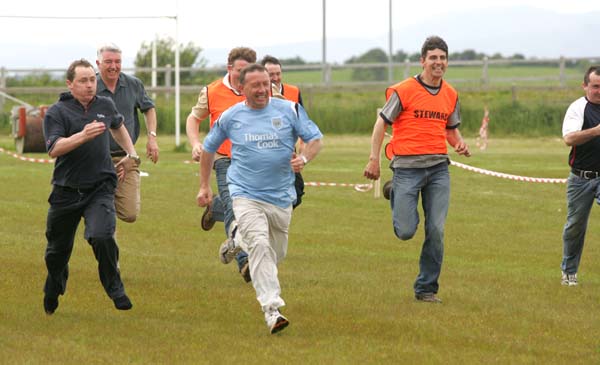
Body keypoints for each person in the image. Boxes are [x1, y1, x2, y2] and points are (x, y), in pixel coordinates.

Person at [196, 64, 323, 334]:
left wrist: (303, 158)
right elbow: (208, 149)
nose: (263, 89)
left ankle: (236, 240)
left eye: (266, 84)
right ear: (242, 89)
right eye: (256, 85)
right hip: (245, 194)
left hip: (281, 196)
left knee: (275, 253)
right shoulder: (231, 117)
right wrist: (204, 186)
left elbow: (315, 139)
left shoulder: (288, 109)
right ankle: (272, 310)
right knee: (261, 247)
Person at [363, 36, 470, 303]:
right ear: (422, 61)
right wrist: (374, 159)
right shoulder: (404, 90)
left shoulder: (450, 94)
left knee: (437, 229)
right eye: (433, 58)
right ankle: (394, 190)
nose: (438, 62)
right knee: (406, 231)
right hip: (407, 169)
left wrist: (459, 143)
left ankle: (426, 288)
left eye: (442, 58)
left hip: (438, 170)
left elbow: (450, 129)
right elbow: (381, 124)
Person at [42, 59, 140, 314]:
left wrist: (131, 154)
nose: (89, 85)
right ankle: (54, 285)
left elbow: (118, 127)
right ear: (70, 84)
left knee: (102, 236)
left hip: (100, 186)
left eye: (92, 80)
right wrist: (82, 135)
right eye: (83, 81)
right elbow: (54, 149)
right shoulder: (57, 112)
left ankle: (114, 286)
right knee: (56, 252)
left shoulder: (105, 105)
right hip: (66, 190)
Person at [185, 47, 258, 281]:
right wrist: (196, 143)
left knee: (255, 207)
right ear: (229, 69)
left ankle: (214, 207)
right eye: (239, 71)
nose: (243, 76)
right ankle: (245, 261)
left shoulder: (261, 89)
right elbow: (194, 118)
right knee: (234, 206)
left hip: (254, 159)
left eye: (248, 71)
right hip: (223, 157)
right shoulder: (212, 91)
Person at [96, 43, 159, 223]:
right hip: (97, 159)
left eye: (118, 62)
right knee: (102, 211)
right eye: (108, 62)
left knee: (129, 214)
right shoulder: (90, 87)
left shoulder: (133, 84)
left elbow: (149, 108)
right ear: (98, 63)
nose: (113, 66)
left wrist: (152, 137)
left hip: (127, 157)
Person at [560, 65, 600, 286]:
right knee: (575, 226)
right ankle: (569, 272)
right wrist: (595, 130)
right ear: (585, 86)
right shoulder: (578, 108)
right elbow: (569, 139)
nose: (599, 91)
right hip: (581, 178)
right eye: (595, 86)